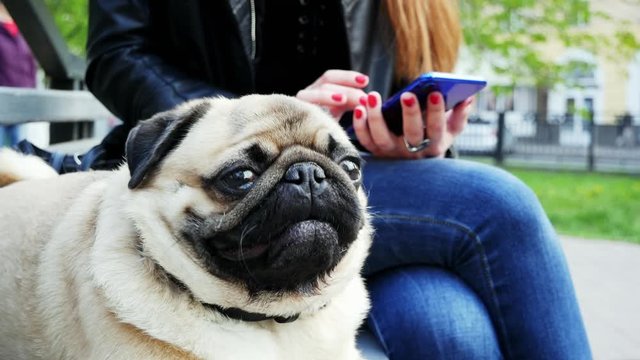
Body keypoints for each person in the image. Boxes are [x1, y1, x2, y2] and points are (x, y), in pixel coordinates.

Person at [40, 1, 593, 359]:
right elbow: (117, 52)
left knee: (462, 293)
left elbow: (404, 94)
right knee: (479, 254)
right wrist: (245, 122)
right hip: (233, 185)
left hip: (360, 184)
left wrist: (422, 137)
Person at [0, 0, 37, 146]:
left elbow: (31, 65)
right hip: (2, 100)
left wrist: (32, 93)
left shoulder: (23, 35)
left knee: (20, 148)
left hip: (21, 101)